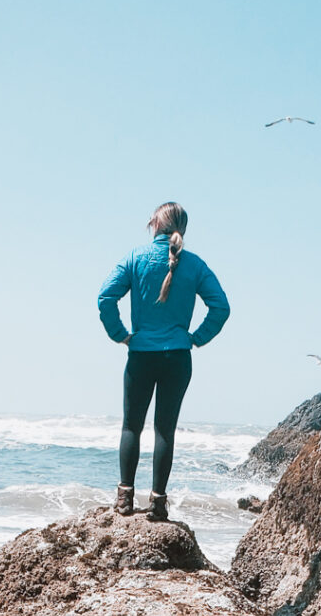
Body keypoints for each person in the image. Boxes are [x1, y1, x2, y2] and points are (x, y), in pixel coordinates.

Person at [98, 203, 230, 521]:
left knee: (132, 425)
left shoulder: (135, 258)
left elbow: (105, 297)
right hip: (178, 357)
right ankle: (158, 503)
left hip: (141, 354)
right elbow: (221, 307)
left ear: (155, 224)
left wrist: (121, 334)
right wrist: (195, 338)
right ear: (181, 228)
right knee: (164, 431)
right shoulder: (195, 265)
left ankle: (125, 500)